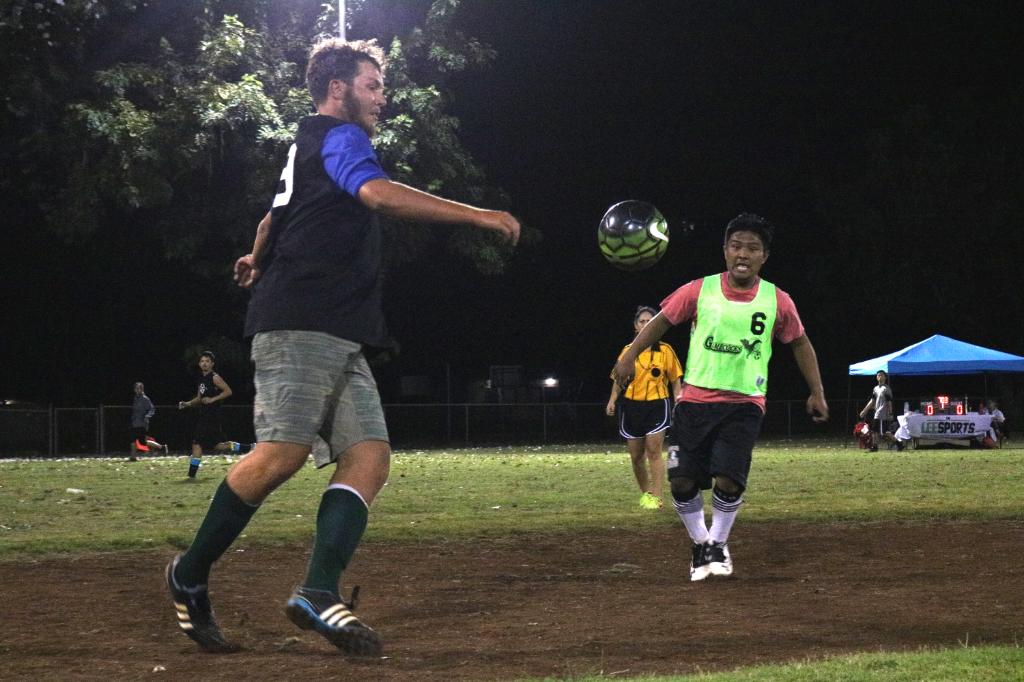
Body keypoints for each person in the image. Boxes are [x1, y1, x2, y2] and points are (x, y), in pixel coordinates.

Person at [165, 38, 519, 656]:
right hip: (302, 319)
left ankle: (316, 592)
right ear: (339, 89)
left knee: (369, 457)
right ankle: (187, 573)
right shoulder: (341, 136)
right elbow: (376, 194)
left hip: (337, 329)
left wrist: (257, 254)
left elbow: (275, 214)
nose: (382, 98)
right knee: (281, 456)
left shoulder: (305, 142)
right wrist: (480, 215)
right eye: (373, 85)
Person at [613, 213, 828, 582]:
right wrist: (630, 354)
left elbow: (800, 343)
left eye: (753, 248)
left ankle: (717, 543)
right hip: (694, 403)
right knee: (681, 481)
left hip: (744, 403)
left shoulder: (778, 300)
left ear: (765, 256)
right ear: (725, 251)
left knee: (729, 480)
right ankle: (702, 544)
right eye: (736, 246)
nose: (743, 254)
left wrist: (817, 391)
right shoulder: (698, 290)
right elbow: (661, 321)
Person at [606, 306, 682, 509]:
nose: (646, 325)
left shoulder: (665, 350)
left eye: (651, 321)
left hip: (658, 405)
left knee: (654, 451)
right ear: (635, 325)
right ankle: (646, 494)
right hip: (632, 407)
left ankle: (657, 497)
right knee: (636, 457)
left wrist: (679, 401)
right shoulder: (627, 352)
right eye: (642, 321)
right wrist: (613, 399)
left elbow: (675, 380)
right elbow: (618, 379)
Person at [178, 351, 232, 478]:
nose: (204, 363)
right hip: (205, 415)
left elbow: (228, 391)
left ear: (212, 364)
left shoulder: (215, 377)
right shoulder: (201, 379)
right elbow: (198, 398)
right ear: (199, 363)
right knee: (219, 446)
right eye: (202, 361)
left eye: (207, 361)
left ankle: (191, 475)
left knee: (197, 443)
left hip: (212, 415)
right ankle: (249, 447)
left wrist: (213, 399)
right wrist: (187, 404)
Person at [130, 382, 168, 461]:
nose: (138, 390)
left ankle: (133, 457)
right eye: (136, 388)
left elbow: (152, 409)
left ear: (142, 389)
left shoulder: (145, 399)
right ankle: (162, 447)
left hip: (142, 422)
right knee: (138, 440)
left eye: (139, 388)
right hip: (135, 422)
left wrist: (147, 417)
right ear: (134, 390)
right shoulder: (136, 398)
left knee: (137, 440)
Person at [858, 370, 892, 452]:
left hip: (882, 413)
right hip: (877, 412)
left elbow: (889, 402)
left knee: (877, 431)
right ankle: (899, 444)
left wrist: (890, 413)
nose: (879, 377)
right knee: (881, 431)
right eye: (878, 375)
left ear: (885, 377)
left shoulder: (886, 389)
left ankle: (874, 446)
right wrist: (864, 411)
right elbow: (872, 401)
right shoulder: (876, 389)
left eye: (881, 375)